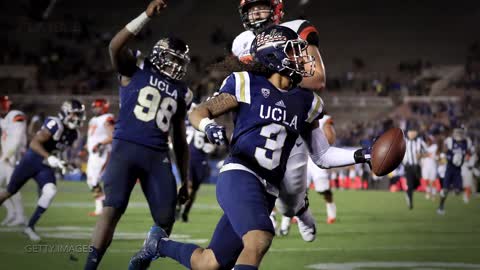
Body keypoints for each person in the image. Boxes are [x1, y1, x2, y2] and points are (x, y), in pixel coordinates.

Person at [129, 25, 371, 270]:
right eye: (295, 52)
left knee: (209, 263)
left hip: (267, 191)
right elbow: (200, 111)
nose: (303, 58)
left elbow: (322, 155)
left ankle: (157, 245)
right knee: (259, 238)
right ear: (274, 55)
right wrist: (207, 126)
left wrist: (364, 154)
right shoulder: (246, 83)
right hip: (240, 174)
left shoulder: (307, 101)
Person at [84, 1, 192, 268]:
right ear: (157, 55)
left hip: (157, 156)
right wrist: (145, 16)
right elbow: (114, 46)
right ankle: (90, 266)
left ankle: (141, 261)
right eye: (170, 59)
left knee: (166, 217)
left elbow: (179, 139)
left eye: (179, 62)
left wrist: (185, 179)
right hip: (125, 149)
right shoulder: (134, 69)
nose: (175, 67)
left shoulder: (181, 92)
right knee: (112, 209)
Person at [231, 0, 327, 241]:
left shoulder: (296, 29)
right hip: (258, 120)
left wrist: (276, 72)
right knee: (249, 187)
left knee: (290, 200)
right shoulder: (240, 43)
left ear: (276, 10)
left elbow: (317, 80)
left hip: (291, 117)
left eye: (260, 8)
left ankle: (301, 212)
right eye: (251, 10)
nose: (255, 14)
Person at [0, 99, 85, 241]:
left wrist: (65, 164)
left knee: (50, 190)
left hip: (44, 165)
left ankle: (29, 227)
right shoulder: (55, 124)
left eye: (79, 114)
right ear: (65, 113)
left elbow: (58, 151)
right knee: (9, 192)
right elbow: (34, 143)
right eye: (74, 114)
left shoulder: (73, 134)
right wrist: (49, 157)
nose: (77, 118)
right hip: (31, 160)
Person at [279, 114, 337, 238]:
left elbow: (331, 139)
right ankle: (285, 225)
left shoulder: (324, 119)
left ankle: (331, 213)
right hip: (299, 156)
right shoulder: (293, 112)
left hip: (316, 158)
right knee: (294, 191)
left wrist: (323, 140)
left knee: (323, 190)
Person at [176, 103, 215, 222]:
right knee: (189, 186)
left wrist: (211, 146)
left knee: (194, 190)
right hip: (188, 157)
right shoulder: (186, 120)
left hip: (201, 159)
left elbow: (212, 142)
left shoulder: (208, 122)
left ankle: (185, 212)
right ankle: (178, 206)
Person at [0, 96, 27, 227]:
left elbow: (17, 139)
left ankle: (20, 216)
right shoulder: (4, 120)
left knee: (12, 188)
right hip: (5, 157)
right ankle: (12, 213)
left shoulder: (16, 115)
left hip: (14, 158)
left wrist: (8, 155)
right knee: (8, 188)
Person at [86, 98, 114, 216]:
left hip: (102, 153)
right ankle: (100, 207)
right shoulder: (93, 120)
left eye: (97, 106)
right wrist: (85, 148)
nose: (95, 109)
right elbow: (92, 137)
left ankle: (103, 206)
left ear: (104, 107)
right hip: (93, 154)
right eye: (94, 107)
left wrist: (100, 144)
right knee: (90, 181)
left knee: (95, 180)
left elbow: (113, 135)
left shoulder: (107, 118)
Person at [437, 127, 473, 214]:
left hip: (458, 169)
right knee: (445, 190)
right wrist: (444, 156)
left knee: (458, 191)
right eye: (458, 133)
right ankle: (441, 207)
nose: (459, 135)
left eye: (461, 133)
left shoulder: (466, 142)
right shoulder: (450, 141)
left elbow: (469, 152)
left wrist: (467, 158)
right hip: (449, 168)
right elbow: (444, 150)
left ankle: (458, 192)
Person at [402, 126, 426, 209]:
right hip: (408, 166)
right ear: (408, 133)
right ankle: (410, 202)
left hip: (417, 166)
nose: (412, 134)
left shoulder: (420, 141)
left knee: (417, 184)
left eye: (413, 132)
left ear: (416, 133)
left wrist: (421, 155)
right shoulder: (404, 141)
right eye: (410, 132)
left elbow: (427, 152)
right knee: (410, 184)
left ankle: (408, 193)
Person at [421, 135, 439, 200]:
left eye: (429, 140)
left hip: (433, 166)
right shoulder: (424, 147)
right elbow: (422, 155)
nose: (428, 141)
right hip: (425, 167)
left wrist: (425, 154)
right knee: (426, 180)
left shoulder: (435, 147)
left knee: (432, 181)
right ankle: (428, 192)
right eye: (427, 140)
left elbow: (432, 155)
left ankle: (433, 194)